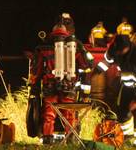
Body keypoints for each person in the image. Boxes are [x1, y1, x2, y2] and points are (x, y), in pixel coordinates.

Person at [30, 13, 93, 144]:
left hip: (50, 85)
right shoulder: (74, 45)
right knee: (69, 113)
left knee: (49, 114)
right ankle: (71, 139)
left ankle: (47, 139)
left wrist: (34, 87)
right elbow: (88, 65)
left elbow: (36, 70)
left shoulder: (44, 46)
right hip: (69, 84)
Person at [95, 35, 136, 147]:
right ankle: (127, 137)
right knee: (122, 111)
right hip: (127, 85)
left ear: (128, 47)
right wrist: (97, 71)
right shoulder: (114, 49)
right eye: (117, 51)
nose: (119, 53)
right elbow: (107, 61)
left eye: (121, 51)